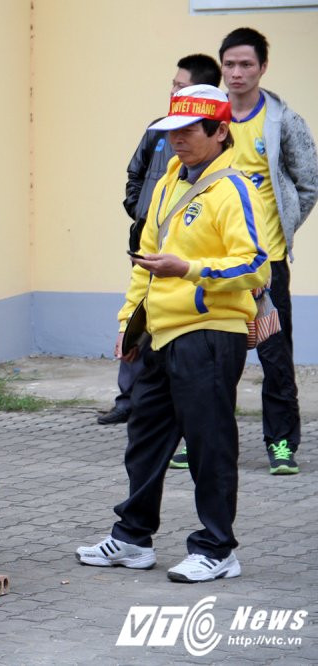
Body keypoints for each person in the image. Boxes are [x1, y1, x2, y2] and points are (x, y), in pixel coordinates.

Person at [77, 85, 270, 583]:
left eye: (189, 131)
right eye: (172, 132)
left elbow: (255, 264)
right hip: (160, 334)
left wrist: (189, 269)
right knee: (144, 439)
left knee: (209, 444)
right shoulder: (167, 182)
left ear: (220, 132)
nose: (177, 140)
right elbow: (144, 261)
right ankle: (133, 538)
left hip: (210, 332)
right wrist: (129, 322)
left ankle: (217, 548)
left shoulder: (234, 190)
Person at [194, 27, 317, 475]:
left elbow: (308, 183)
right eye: (229, 64)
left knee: (274, 354)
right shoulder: (209, 118)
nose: (237, 72)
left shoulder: (283, 121)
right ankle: (199, 439)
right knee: (209, 356)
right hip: (215, 263)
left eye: (246, 64)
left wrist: (279, 231)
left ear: (263, 67)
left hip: (266, 264)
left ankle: (281, 443)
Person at [98, 54, 221, 428]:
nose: (173, 91)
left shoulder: (220, 152)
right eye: (173, 84)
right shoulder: (158, 129)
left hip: (191, 263)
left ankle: (172, 412)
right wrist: (142, 212)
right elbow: (134, 173)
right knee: (138, 312)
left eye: (181, 86)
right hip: (149, 239)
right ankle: (127, 399)